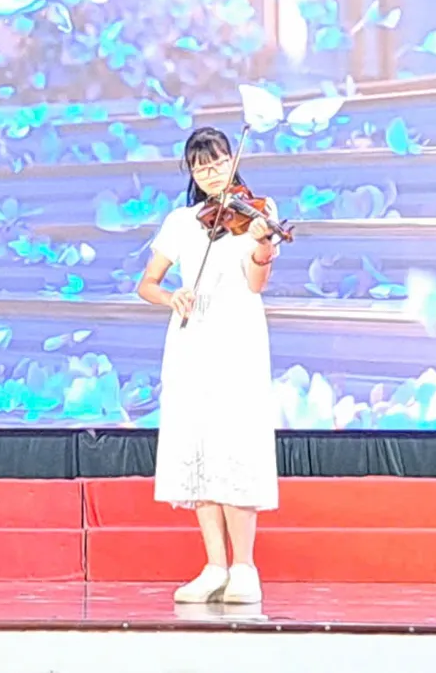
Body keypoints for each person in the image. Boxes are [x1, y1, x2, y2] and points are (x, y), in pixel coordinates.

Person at [137, 126, 281, 604]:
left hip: (238, 340)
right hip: (190, 341)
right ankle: (214, 566)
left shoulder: (258, 211)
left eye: (218, 163)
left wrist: (263, 247)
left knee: (234, 446)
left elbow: (256, 282)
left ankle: (245, 568)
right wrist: (171, 296)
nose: (212, 173)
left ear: (232, 162)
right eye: (201, 167)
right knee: (198, 447)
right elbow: (147, 284)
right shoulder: (182, 221)